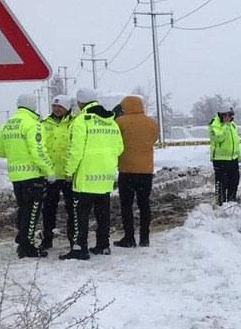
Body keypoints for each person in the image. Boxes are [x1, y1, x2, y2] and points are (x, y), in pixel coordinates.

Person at [61, 87, 124, 260]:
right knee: (103, 214)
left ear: (81, 103)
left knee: (79, 216)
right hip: (105, 177)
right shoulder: (111, 121)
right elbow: (120, 148)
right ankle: (103, 245)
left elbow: (76, 150)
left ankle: (79, 248)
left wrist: (68, 172)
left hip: (85, 178)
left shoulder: (82, 121)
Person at [0, 94, 55, 258]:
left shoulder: (7, 124)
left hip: (16, 176)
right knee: (32, 212)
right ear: (32, 105)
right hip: (33, 175)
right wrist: (49, 171)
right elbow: (38, 151)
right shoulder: (33, 124)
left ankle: (22, 239)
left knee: (23, 209)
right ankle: (27, 247)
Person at [114, 94, 158, 248]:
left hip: (127, 169)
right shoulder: (151, 123)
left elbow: (115, 141)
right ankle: (145, 238)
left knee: (126, 205)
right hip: (146, 170)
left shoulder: (120, 122)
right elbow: (154, 140)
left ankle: (129, 237)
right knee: (144, 204)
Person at [39, 94, 75, 252]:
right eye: (54, 106)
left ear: (67, 108)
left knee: (72, 209)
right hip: (50, 174)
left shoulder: (74, 124)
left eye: (60, 107)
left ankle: (73, 238)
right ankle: (47, 239)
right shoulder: (44, 124)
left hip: (69, 174)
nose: (57, 109)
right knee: (48, 209)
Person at [210, 105, 241, 205]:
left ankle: (231, 201)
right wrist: (226, 126)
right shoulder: (215, 125)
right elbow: (218, 138)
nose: (230, 117)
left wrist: (238, 155)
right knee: (221, 183)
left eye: (231, 115)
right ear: (222, 115)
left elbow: (236, 142)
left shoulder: (233, 125)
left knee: (234, 181)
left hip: (233, 159)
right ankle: (220, 203)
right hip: (220, 159)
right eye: (227, 115)